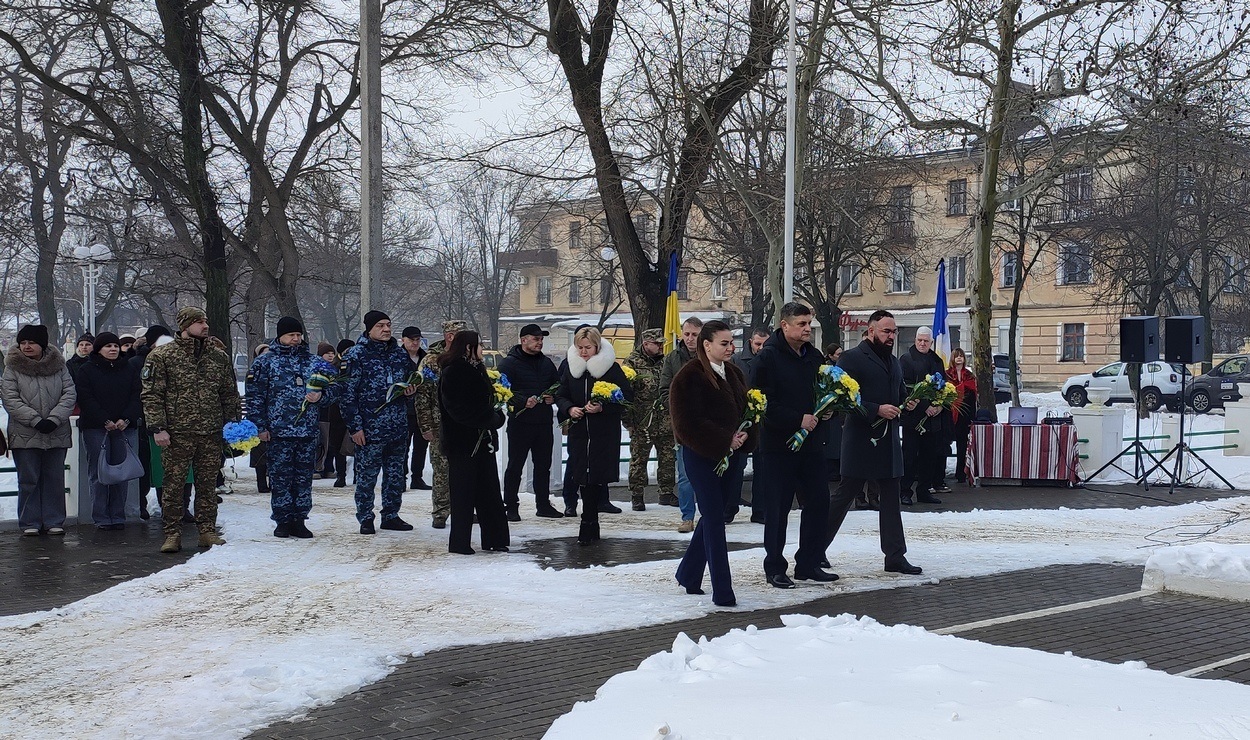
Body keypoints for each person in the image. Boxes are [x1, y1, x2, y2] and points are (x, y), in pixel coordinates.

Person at [826, 309, 923, 575]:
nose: (892, 336)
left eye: (894, 332)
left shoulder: (893, 361)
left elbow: (899, 393)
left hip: (888, 441)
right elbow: (843, 399)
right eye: (886, 331)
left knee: (891, 499)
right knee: (844, 496)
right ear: (870, 331)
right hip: (861, 440)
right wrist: (875, 409)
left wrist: (908, 402)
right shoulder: (851, 358)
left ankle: (895, 556)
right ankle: (814, 549)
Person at [671, 320, 758, 607]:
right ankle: (723, 590)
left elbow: (747, 409)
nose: (731, 347)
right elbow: (686, 423)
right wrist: (723, 440)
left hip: (731, 456)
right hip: (701, 455)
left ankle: (688, 573)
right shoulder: (688, 376)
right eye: (724, 343)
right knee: (714, 517)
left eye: (732, 342)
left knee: (715, 514)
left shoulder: (734, 372)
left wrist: (746, 434)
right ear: (706, 345)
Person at [141, 307, 241, 553]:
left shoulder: (217, 357)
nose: (205, 325)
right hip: (177, 433)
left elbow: (229, 394)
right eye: (198, 321)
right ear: (184, 326)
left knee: (207, 484)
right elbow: (152, 395)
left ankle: (206, 530)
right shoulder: (162, 356)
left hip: (210, 432)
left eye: (205, 320)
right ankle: (172, 533)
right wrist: (158, 427)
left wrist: (233, 425)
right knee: (173, 485)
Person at [752, 302, 837, 589]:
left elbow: (823, 391)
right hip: (779, 445)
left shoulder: (813, 357)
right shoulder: (767, 358)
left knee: (818, 502)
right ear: (784, 325)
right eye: (801, 324)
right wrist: (797, 419)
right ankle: (775, 566)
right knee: (778, 508)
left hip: (811, 445)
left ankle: (809, 563)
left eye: (809, 324)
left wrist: (827, 410)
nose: (807, 329)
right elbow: (763, 404)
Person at [246, 317, 333, 539]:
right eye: (290, 335)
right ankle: (282, 520)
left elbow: (335, 389)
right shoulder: (266, 363)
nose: (295, 339)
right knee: (280, 478)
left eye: (298, 335)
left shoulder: (314, 362)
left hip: (307, 431)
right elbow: (255, 397)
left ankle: (300, 519)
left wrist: (321, 396)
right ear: (280, 337)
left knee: (303, 478)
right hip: (279, 432)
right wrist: (260, 426)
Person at [341, 310, 418, 534]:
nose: (386, 329)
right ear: (369, 329)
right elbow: (348, 396)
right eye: (380, 326)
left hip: (397, 427)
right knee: (367, 476)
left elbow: (408, 384)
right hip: (370, 429)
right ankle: (365, 517)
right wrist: (355, 428)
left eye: (388, 325)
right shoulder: (356, 355)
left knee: (395, 475)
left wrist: (410, 391)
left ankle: (391, 515)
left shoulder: (398, 354)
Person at [556, 326, 633, 545]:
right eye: (579, 348)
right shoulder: (572, 369)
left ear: (597, 346)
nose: (583, 352)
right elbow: (561, 395)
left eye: (587, 348)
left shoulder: (611, 369)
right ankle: (587, 521)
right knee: (581, 475)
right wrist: (570, 408)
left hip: (603, 433)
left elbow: (626, 397)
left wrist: (603, 408)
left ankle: (590, 521)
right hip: (580, 432)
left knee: (596, 477)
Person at [437, 330, 510, 554]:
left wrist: (495, 417)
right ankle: (460, 543)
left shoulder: (478, 369)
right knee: (463, 494)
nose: (482, 349)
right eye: (478, 345)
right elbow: (456, 410)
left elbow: (485, 402)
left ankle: (495, 538)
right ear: (468, 348)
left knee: (489, 490)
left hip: (482, 441)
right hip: (462, 443)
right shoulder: (453, 371)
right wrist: (489, 419)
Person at [2, 325, 76, 536]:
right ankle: (29, 522)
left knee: (54, 478)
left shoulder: (59, 367)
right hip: (25, 433)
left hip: (57, 431)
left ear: (42, 345)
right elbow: (10, 399)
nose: (26, 346)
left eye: (31, 343)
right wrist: (35, 420)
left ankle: (54, 520)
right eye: (23, 342)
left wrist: (54, 419)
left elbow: (69, 393)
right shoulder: (12, 369)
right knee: (28, 479)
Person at [74, 332, 142, 530]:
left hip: (123, 428)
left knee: (122, 473)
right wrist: (104, 419)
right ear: (99, 349)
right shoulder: (87, 370)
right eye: (107, 346)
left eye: (115, 345)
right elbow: (85, 398)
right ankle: (101, 516)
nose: (112, 349)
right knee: (99, 472)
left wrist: (126, 418)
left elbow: (137, 395)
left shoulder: (128, 368)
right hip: (97, 428)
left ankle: (118, 515)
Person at [498, 323, 562, 519]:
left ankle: (543, 504)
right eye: (536, 339)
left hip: (543, 422)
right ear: (523, 340)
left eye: (541, 339)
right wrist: (522, 401)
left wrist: (554, 397)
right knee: (515, 465)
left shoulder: (546, 363)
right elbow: (501, 390)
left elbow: (557, 385)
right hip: (520, 422)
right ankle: (510, 506)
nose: (539, 343)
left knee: (543, 466)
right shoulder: (510, 363)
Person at [414, 320, 466, 529]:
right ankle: (441, 512)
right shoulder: (431, 361)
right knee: (442, 471)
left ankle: (464, 509)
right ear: (450, 336)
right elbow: (422, 396)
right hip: (439, 425)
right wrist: (426, 426)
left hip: (463, 425)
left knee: (464, 469)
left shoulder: (468, 358)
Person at [620, 328, 676, 512]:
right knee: (639, 459)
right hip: (642, 421)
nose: (661, 346)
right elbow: (625, 396)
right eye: (657, 343)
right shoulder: (631, 363)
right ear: (645, 344)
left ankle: (666, 492)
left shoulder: (666, 362)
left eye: (662, 343)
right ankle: (637, 495)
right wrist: (628, 422)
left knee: (668, 457)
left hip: (665, 420)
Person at [659, 316, 702, 532]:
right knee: (685, 475)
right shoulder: (672, 358)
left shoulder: (710, 356)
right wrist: (680, 404)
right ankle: (687, 517)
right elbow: (664, 389)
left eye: (695, 334)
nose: (690, 339)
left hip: (707, 423)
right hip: (683, 423)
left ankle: (710, 514)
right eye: (686, 334)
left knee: (708, 473)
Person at [900, 326, 948, 506]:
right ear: (915, 340)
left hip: (933, 419)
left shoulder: (937, 360)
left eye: (926, 341)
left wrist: (940, 405)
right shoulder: (906, 360)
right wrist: (925, 406)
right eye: (919, 340)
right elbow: (905, 388)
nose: (922, 343)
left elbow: (943, 386)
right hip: (913, 418)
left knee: (929, 457)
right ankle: (905, 491)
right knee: (910, 457)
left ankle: (924, 491)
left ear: (931, 343)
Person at [130, 324, 173, 520]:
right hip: (144, 423)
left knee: (169, 468)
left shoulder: (174, 361)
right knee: (145, 467)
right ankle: (141, 504)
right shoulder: (137, 363)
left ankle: (170, 505)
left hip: (172, 422)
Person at [400, 326, 432, 491]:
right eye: (411, 339)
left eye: (417, 339)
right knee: (403, 446)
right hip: (403, 410)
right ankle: (401, 477)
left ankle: (417, 477)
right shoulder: (397, 358)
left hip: (423, 410)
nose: (414, 343)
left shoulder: (426, 359)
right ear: (403, 340)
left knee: (421, 445)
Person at [327, 338, 355, 486]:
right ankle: (341, 475)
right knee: (337, 444)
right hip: (337, 411)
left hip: (355, 409)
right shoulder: (333, 367)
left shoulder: (357, 364)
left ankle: (358, 474)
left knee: (358, 442)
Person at [946, 347, 977, 484]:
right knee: (944, 444)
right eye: (956, 356)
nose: (959, 358)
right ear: (952, 358)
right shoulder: (947, 374)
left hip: (964, 415)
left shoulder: (969, 375)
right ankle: (940, 474)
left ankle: (960, 473)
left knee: (962, 444)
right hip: (949, 414)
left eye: (961, 356)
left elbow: (973, 396)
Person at [249, 343, 272, 494]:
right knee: (260, 453)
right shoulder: (254, 372)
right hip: (258, 418)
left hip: (274, 418)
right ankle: (262, 483)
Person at [314, 341, 339, 479]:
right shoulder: (316, 369)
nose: (330, 356)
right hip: (321, 410)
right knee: (321, 440)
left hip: (332, 410)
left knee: (331, 441)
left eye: (332, 354)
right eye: (327, 354)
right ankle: (318, 467)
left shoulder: (334, 370)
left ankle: (329, 467)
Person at [823, 343, 844, 484]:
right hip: (831, 413)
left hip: (838, 413)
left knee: (837, 443)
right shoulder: (827, 370)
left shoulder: (842, 368)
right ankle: (831, 471)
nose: (841, 356)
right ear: (830, 356)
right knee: (832, 443)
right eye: (838, 354)